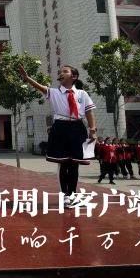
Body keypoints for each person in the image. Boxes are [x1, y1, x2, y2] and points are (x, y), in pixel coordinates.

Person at [19, 64, 97, 207]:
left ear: (74, 76)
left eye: (65, 71)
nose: (61, 73)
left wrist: (93, 130)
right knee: (63, 162)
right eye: (60, 72)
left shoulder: (82, 94)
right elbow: (40, 87)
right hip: (60, 127)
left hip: (77, 127)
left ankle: (72, 195)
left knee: (74, 164)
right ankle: (65, 195)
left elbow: (89, 112)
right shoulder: (54, 92)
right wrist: (27, 78)